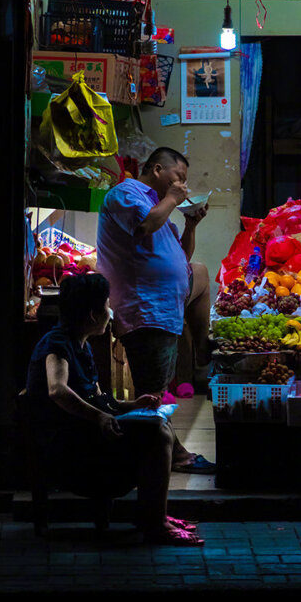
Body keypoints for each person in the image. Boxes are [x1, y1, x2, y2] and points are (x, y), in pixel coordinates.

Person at [25, 273, 203, 545]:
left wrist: (135, 405)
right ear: (93, 315)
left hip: (83, 433)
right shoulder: (57, 344)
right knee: (157, 434)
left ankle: (154, 516)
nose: (111, 312)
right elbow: (57, 390)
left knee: (160, 422)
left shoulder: (80, 344)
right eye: (107, 306)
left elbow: (98, 398)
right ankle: (154, 522)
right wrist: (100, 417)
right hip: (66, 445)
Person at [96, 146, 215, 474]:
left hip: (167, 301)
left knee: (201, 272)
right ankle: (169, 454)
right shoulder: (127, 193)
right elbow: (145, 227)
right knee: (153, 392)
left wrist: (190, 225)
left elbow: (182, 257)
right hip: (146, 308)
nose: (183, 186)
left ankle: (203, 352)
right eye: (179, 177)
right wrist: (174, 201)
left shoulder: (158, 206)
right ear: (158, 170)